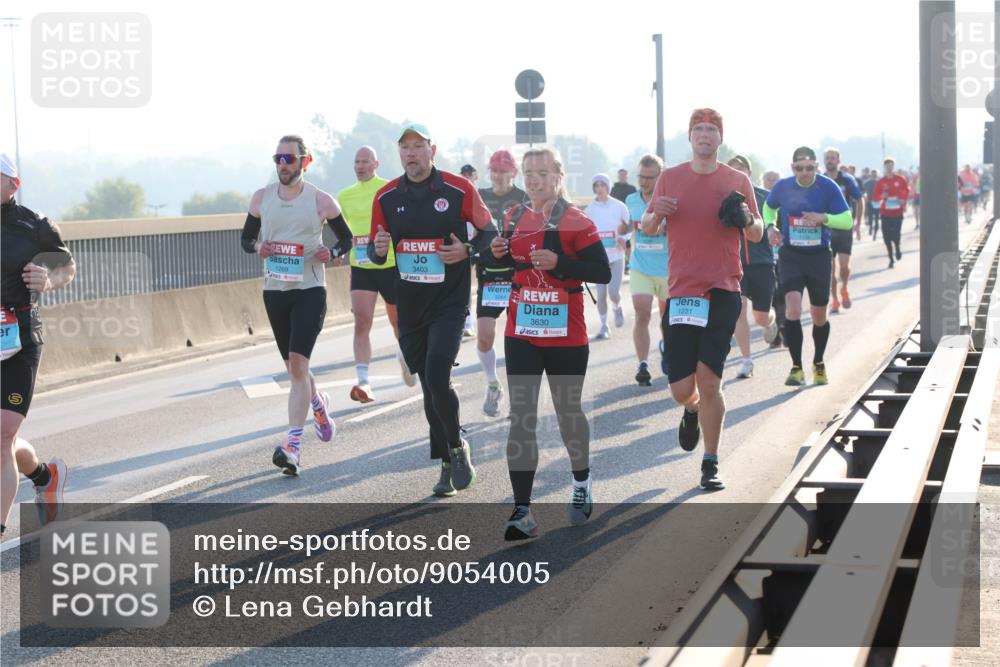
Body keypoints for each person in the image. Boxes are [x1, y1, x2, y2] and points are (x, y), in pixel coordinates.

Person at [488, 147, 610, 540]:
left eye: (542, 173)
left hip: (566, 335)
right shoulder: (513, 216)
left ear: (559, 176)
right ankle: (522, 510)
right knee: (521, 417)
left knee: (567, 412)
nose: (534, 179)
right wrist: (497, 253)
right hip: (522, 330)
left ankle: (581, 483)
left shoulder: (577, 222)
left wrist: (561, 263)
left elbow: (602, 272)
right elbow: (511, 263)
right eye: (529, 173)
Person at [368, 124, 496, 497]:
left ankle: (456, 449)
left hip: (449, 303)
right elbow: (374, 253)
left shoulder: (459, 189)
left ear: (432, 150)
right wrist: (378, 249)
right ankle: (446, 461)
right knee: (428, 386)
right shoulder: (386, 197)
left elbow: (490, 233)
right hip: (410, 306)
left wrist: (466, 251)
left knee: (438, 376)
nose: (411, 153)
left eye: (417, 146)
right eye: (404, 147)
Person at [641, 108, 763, 491]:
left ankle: (710, 461)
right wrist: (655, 214)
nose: (705, 134)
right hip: (682, 293)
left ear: (720, 138)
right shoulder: (670, 178)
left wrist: (746, 219)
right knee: (682, 389)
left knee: (710, 381)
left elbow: (758, 232)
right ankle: (691, 409)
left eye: (711, 129)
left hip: (723, 290)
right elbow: (647, 226)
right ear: (691, 136)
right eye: (699, 129)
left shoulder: (737, 180)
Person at [242, 135, 352, 475]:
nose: (282, 165)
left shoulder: (321, 200)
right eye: (278, 158)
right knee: (296, 369)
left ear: (305, 161)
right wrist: (258, 247)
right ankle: (318, 405)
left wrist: (332, 252)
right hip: (275, 291)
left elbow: (347, 239)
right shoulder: (261, 198)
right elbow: (246, 239)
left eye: (289, 158)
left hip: (310, 290)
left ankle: (293, 446)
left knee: (299, 364)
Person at [1, 153, 77, 538]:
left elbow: (67, 267)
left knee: (2, 435)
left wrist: (48, 280)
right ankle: (45, 476)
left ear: (13, 184)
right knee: (3, 439)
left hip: (19, 341)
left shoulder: (35, 224)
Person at [763, 146, 854, 387]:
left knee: (819, 315)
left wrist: (825, 218)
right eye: (799, 168)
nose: (804, 173)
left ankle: (819, 362)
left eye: (810, 168)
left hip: (819, 257)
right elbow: (769, 207)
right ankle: (796, 367)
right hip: (791, 255)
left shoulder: (828, 187)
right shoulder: (783, 187)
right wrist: (770, 227)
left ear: (816, 167)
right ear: (792, 168)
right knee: (792, 309)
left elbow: (847, 220)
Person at [338, 146, 414, 404]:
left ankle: (405, 356)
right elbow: (346, 229)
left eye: (365, 162)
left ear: (376, 164)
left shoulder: (388, 190)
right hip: (362, 267)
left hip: (390, 265)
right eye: (356, 162)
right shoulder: (345, 196)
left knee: (398, 324)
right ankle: (364, 382)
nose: (360, 166)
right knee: (362, 321)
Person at [474, 150, 526, 416]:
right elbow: (469, 233)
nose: (497, 176)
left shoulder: (524, 199)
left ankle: (520, 398)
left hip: (518, 277)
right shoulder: (479, 197)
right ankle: (493, 385)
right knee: (484, 337)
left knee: (519, 342)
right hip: (489, 277)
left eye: (503, 171)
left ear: (514, 173)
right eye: (494, 170)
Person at [727, 155, 779, 378]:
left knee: (760, 316)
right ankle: (746, 361)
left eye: (741, 171)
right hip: (734, 264)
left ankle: (769, 323)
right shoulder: (723, 197)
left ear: (749, 173)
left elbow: (776, 223)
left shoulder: (765, 197)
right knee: (738, 311)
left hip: (762, 263)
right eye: (732, 171)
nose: (737, 175)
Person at [620, 154, 668, 386]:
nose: (644, 182)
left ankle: (667, 347)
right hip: (640, 266)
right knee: (642, 314)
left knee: (667, 318)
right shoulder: (631, 199)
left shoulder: (668, 201)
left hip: (668, 268)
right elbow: (628, 224)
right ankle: (643, 364)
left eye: (650, 178)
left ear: (660, 177)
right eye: (641, 176)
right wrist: (623, 229)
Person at [586, 173, 629, 339]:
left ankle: (617, 307)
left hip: (616, 256)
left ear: (608, 187)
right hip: (599, 259)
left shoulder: (619, 206)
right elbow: (585, 232)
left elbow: (628, 226)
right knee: (601, 295)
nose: (599, 189)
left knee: (613, 292)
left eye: (602, 185)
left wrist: (623, 238)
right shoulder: (590, 210)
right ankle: (604, 325)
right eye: (596, 186)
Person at [822, 148, 863, 314]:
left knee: (844, 267)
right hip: (827, 229)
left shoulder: (847, 179)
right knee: (830, 268)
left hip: (844, 228)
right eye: (827, 158)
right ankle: (835, 300)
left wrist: (858, 223)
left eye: (833, 158)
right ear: (824, 160)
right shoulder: (820, 180)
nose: (830, 160)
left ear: (838, 161)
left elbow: (860, 199)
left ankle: (844, 287)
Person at [761, 170, 786, 348]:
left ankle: (783, 331)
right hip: (764, 256)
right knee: (770, 294)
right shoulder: (760, 201)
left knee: (782, 293)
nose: (772, 183)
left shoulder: (786, 202)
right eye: (768, 180)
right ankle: (773, 329)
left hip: (784, 254)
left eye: (775, 180)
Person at [872, 157, 910, 267]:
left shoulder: (900, 179)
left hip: (897, 212)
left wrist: (903, 199)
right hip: (885, 213)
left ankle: (897, 247)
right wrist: (881, 196)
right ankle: (891, 258)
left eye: (891, 165)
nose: (889, 168)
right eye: (887, 166)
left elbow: (907, 190)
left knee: (896, 234)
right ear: (884, 167)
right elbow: (875, 197)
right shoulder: (881, 182)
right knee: (886, 237)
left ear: (893, 166)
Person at [863, 168, 880, 239]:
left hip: (877, 202)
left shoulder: (879, 182)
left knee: (876, 219)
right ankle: (870, 227)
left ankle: (875, 233)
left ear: (877, 175)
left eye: (875, 174)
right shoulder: (867, 182)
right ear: (871, 175)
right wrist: (865, 197)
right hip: (869, 202)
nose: (874, 175)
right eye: (873, 174)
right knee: (870, 217)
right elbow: (864, 191)